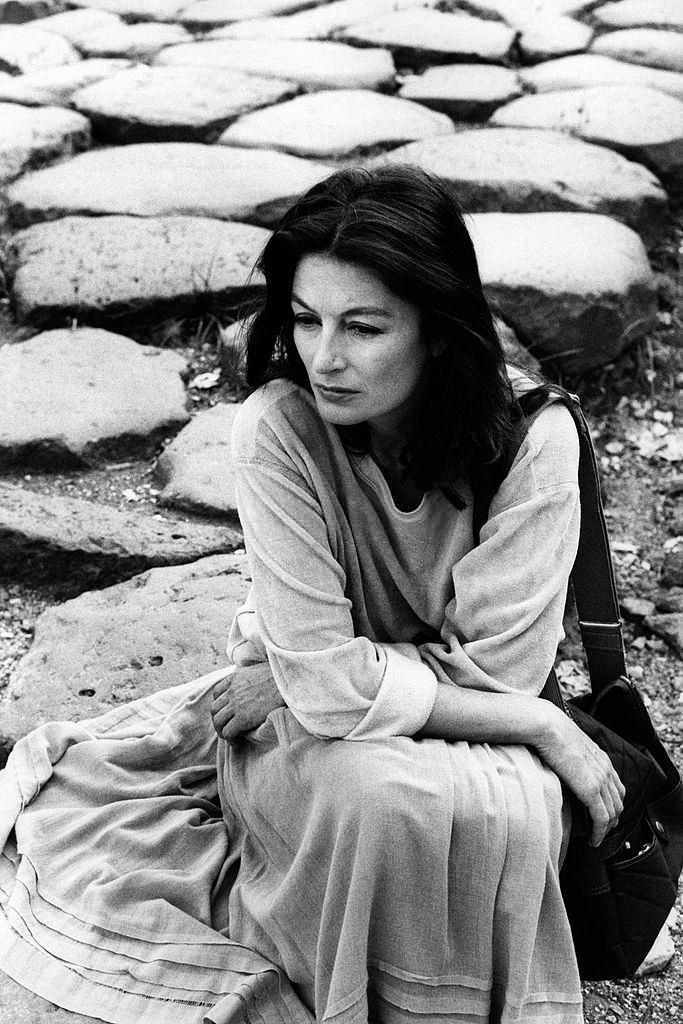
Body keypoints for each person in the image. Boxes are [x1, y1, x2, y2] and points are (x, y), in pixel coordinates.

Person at [0, 166, 624, 1024]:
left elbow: (501, 674)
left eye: (363, 327)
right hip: (309, 733)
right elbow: (331, 692)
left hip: (466, 721)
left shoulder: (532, 438)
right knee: (376, 801)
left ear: (437, 331)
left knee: (503, 819)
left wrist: (312, 675)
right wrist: (546, 724)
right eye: (304, 319)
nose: (324, 358)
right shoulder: (279, 429)